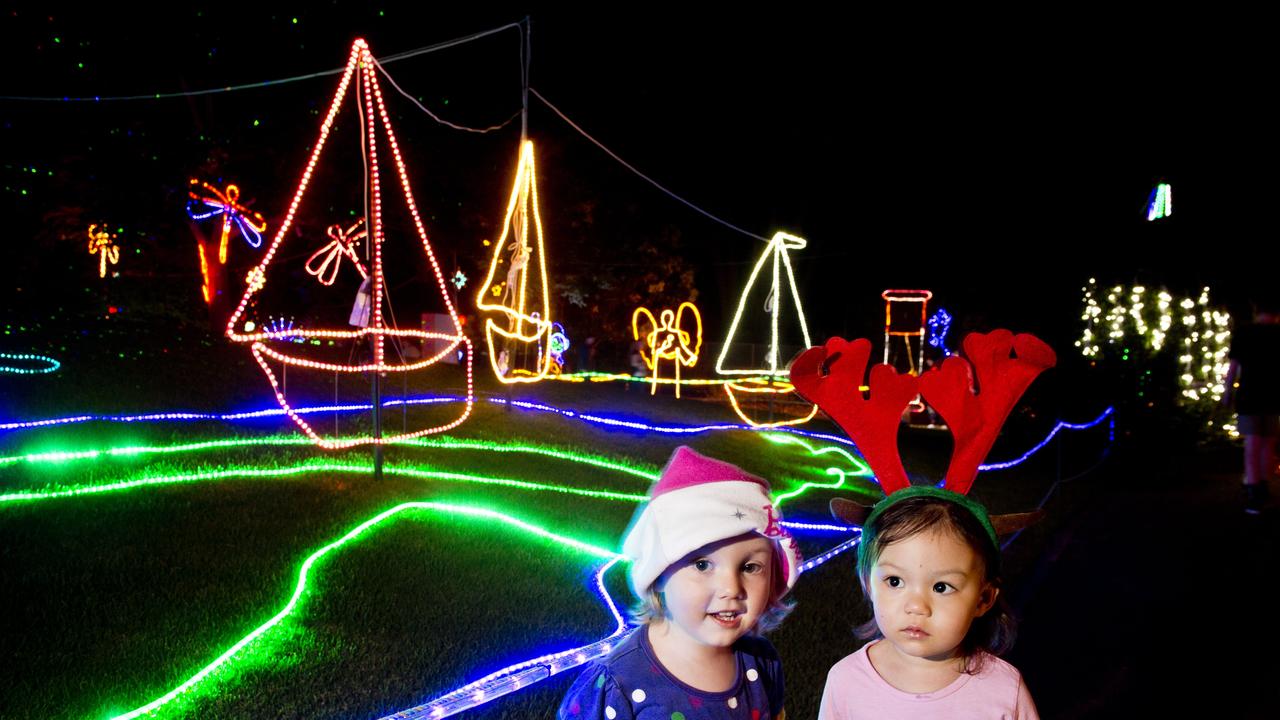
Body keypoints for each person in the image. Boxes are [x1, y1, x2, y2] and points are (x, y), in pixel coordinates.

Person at [558, 445, 801, 720]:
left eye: (750, 567)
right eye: (702, 565)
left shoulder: (761, 661)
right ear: (658, 576)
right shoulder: (617, 686)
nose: (732, 588)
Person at [818, 487, 1038, 720]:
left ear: (983, 599)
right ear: (868, 583)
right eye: (895, 581)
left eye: (941, 587)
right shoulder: (846, 680)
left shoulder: (1005, 690)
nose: (916, 606)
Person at [1222, 299, 1280, 514]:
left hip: (1250, 394)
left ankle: (1254, 489)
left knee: (1253, 444)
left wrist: (1228, 391)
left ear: (1257, 311)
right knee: (1268, 444)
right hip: (1274, 396)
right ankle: (1263, 486)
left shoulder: (1245, 333)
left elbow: (1233, 366)